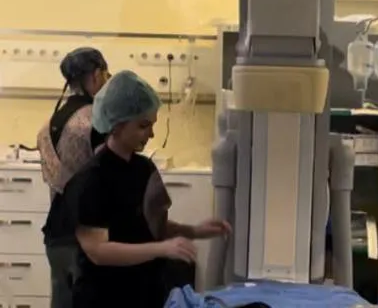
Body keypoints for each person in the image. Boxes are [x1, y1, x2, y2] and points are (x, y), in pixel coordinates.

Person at [64, 71, 231, 308]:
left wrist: (194, 231)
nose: (151, 134)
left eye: (152, 125)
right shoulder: (91, 180)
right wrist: (160, 249)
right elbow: (98, 251)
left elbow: (153, 225)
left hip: (144, 291)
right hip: (104, 296)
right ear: (116, 125)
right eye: (143, 126)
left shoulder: (144, 169)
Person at [35, 47, 109, 308]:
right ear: (96, 75)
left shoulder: (48, 124)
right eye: (106, 74)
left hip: (55, 235)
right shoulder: (96, 123)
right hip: (87, 238)